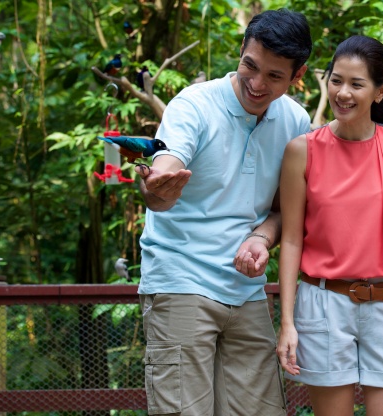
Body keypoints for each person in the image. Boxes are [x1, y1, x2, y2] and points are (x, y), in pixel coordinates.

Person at [134, 9, 312, 416]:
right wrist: (157, 186)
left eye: (273, 76)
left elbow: (287, 210)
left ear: (297, 76)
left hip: (246, 291)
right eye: (250, 65)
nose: (256, 83)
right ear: (241, 50)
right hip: (181, 281)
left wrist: (261, 237)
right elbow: (164, 174)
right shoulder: (193, 105)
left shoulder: (296, 121)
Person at [276, 35, 383, 416]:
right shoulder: (302, 150)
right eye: (336, 80)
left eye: (356, 84)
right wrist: (287, 323)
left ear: (380, 91)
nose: (343, 92)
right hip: (323, 304)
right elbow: (291, 240)